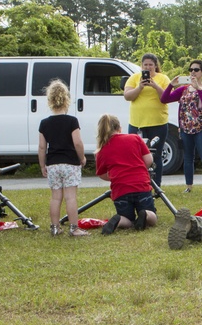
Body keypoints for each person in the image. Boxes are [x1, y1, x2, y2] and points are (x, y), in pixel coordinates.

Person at [38, 79, 88, 237]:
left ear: (50, 100)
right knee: (70, 197)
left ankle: (55, 227)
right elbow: (77, 142)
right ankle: (74, 228)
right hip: (70, 162)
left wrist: (42, 165)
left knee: (55, 197)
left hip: (53, 164)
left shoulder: (44, 123)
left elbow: (41, 147)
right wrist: (82, 157)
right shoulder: (72, 121)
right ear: (67, 99)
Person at [94, 114, 158, 235]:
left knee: (127, 219)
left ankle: (119, 220)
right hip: (141, 185)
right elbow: (149, 160)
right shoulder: (134, 138)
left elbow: (101, 174)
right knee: (153, 217)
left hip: (120, 189)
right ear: (119, 128)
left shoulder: (102, 149)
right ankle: (145, 214)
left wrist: (114, 176)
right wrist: (139, 170)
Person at [159, 59, 202, 193]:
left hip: (201, 126)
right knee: (188, 157)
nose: (193, 72)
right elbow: (164, 99)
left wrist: (199, 89)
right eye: (191, 70)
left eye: (196, 70)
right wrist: (170, 85)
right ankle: (189, 186)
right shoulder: (183, 89)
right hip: (186, 127)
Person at [122, 53, 171, 186]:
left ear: (155, 66)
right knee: (136, 155)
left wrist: (155, 86)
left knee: (156, 155)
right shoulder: (134, 78)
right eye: (145, 65)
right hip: (137, 123)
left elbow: (166, 98)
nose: (148, 67)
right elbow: (127, 96)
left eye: (151, 65)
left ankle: (156, 185)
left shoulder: (163, 78)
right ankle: (138, 183)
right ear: (141, 66)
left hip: (158, 123)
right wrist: (140, 87)